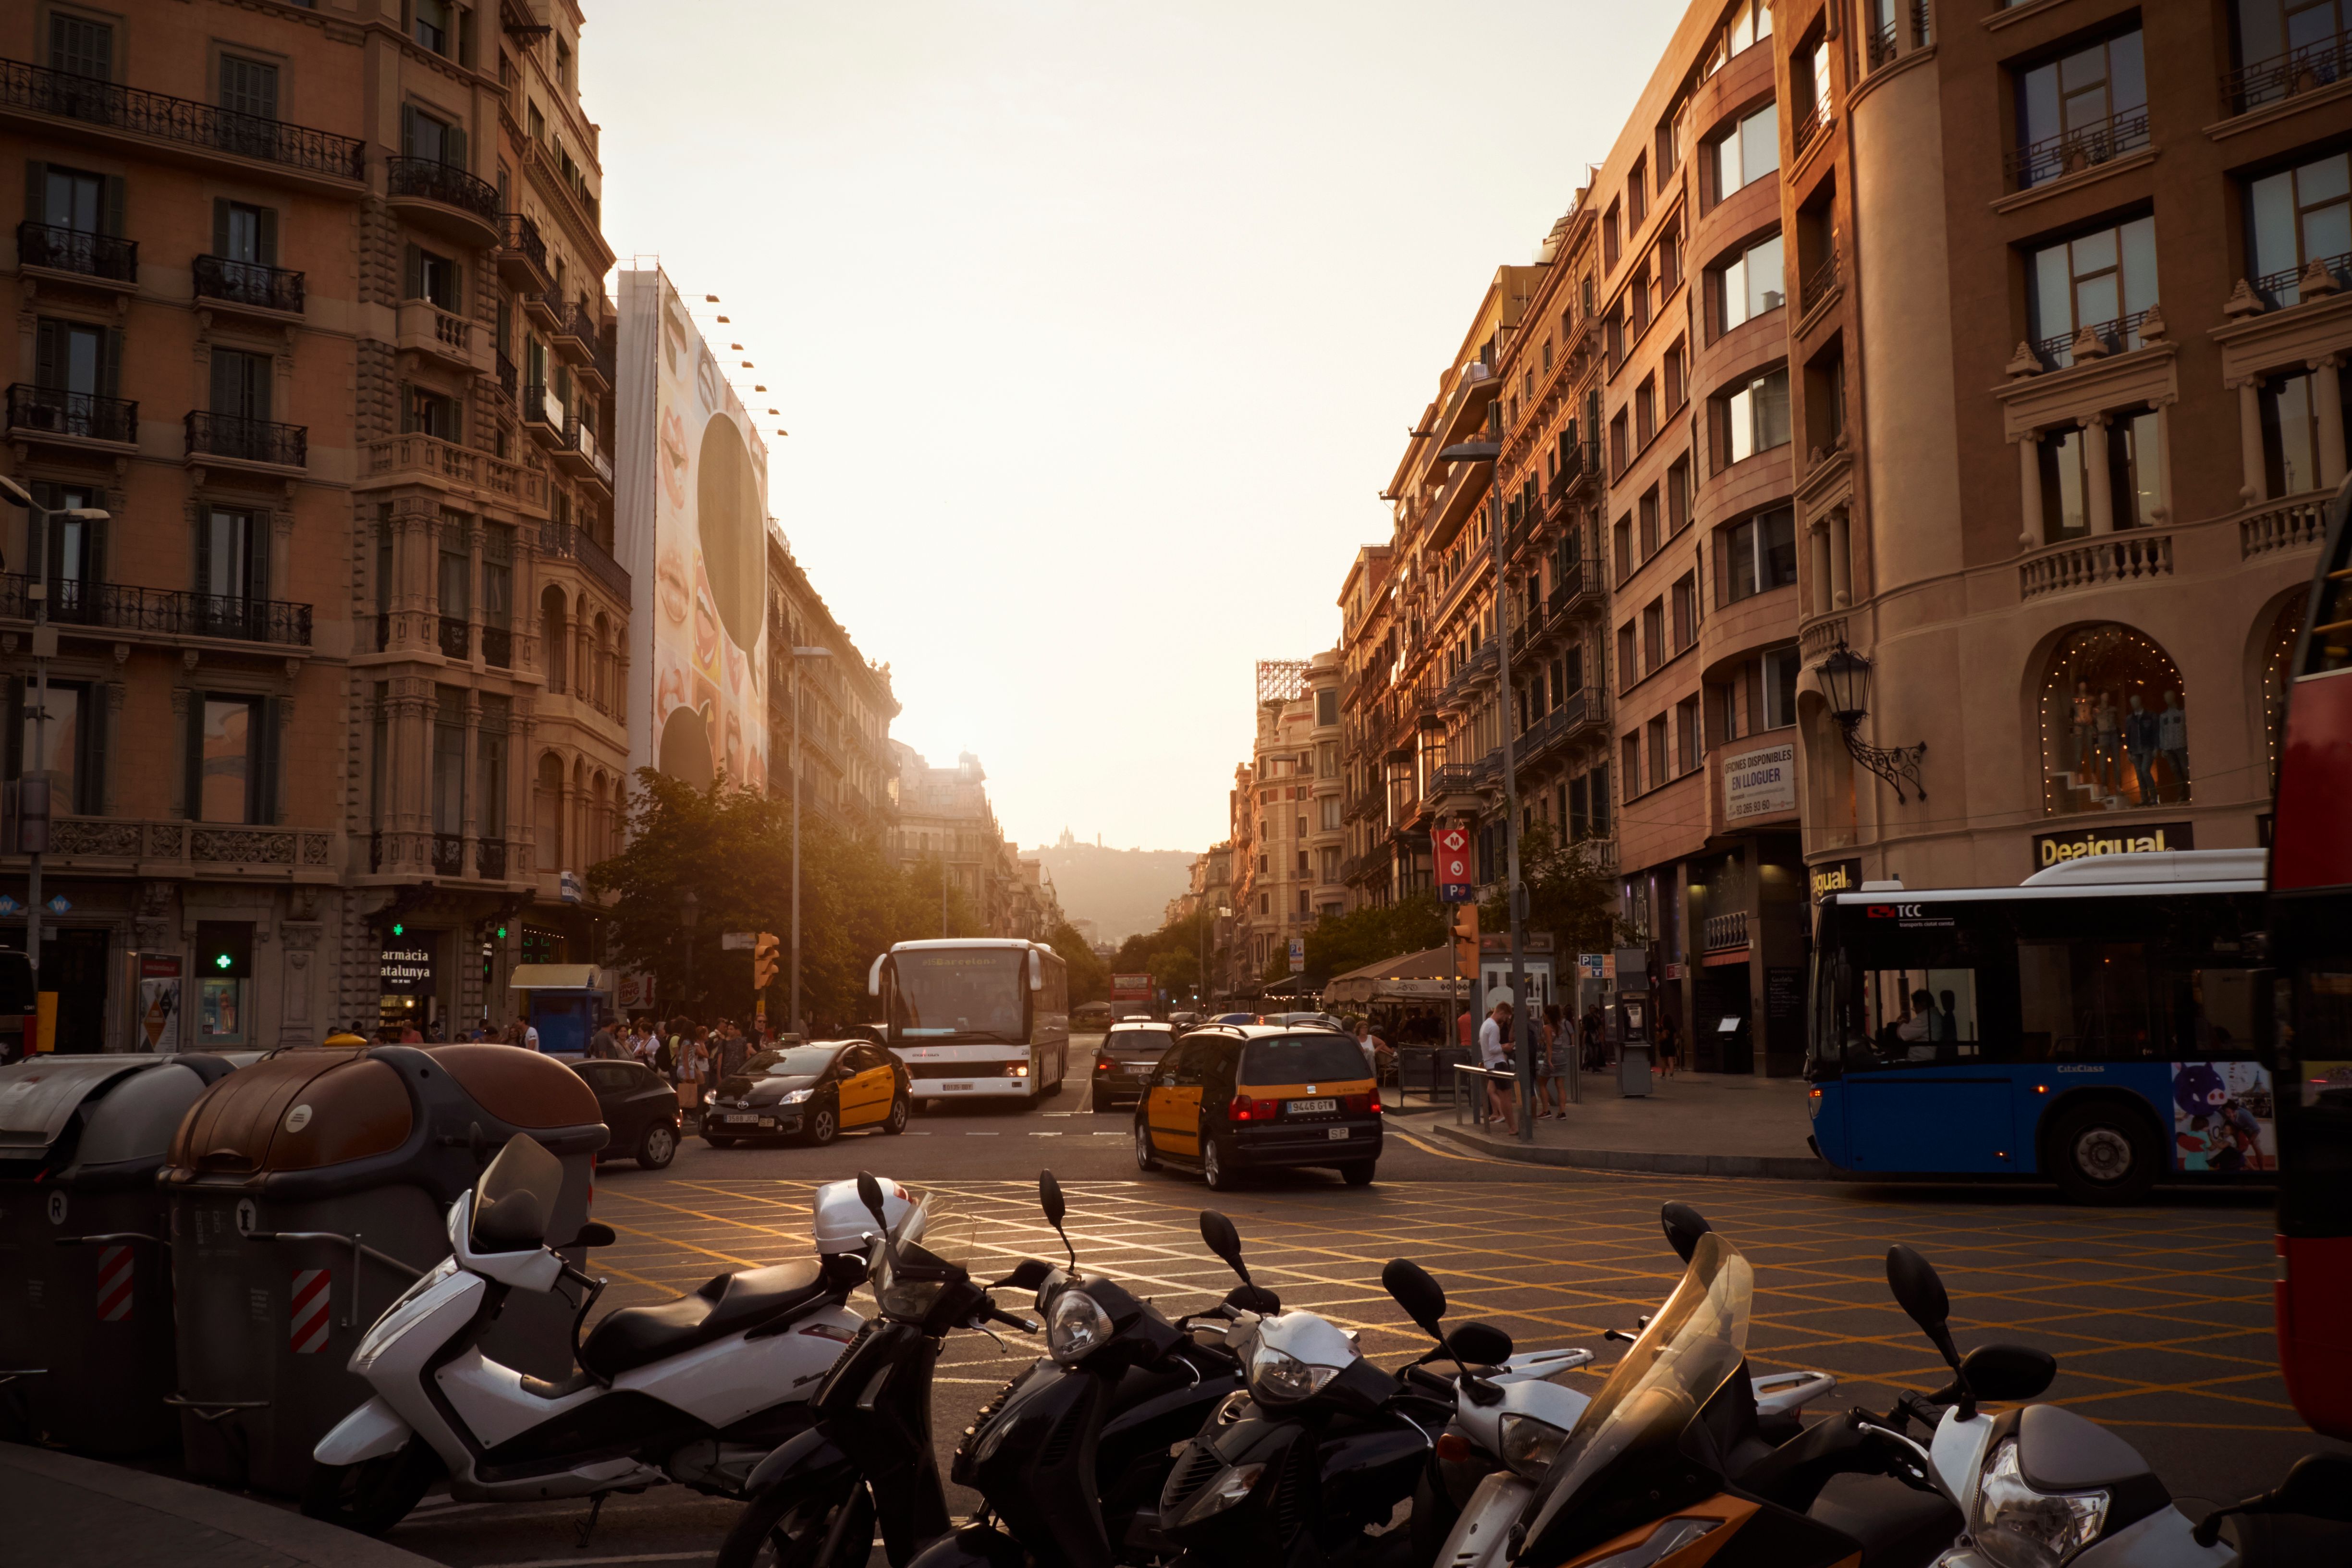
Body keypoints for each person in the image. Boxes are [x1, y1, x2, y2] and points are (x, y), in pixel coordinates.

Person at [1479, 994, 1515, 1125]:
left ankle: (1501, 1116)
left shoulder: (1486, 1024)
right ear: (1501, 1012)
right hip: (1497, 1063)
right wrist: (1505, 1048)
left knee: (1492, 1091)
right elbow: (1493, 1048)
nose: (1505, 1020)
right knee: (1505, 1095)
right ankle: (1507, 1120)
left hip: (1491, 1063)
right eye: (1506, 1017)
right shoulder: (1494, 1027)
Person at [1543, 1004, 1571, 1117]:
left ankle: (1546, 1111)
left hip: (1553, 1057)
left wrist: (1549, 1059)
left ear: (1548, 1016)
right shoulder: (1560, 1027)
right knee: (1560, 1085)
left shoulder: (1547, 1028)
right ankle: (1562, 1112)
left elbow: (1550, 1045)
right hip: (1561, 1056)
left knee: (1541, 1082)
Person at [1654, 1011, 1679, 1078]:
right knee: (1671, 1061)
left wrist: (1658, 1027)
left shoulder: (1661, 1027)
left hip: (1664, 1046)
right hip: (1671, 1045)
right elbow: (1675, 1036)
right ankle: (1671, 1076)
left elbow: (1658, 1035)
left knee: (1664, 1061)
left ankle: (1663, 1075)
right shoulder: (1672, 1027)